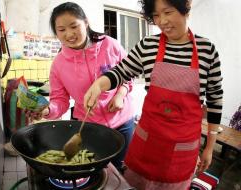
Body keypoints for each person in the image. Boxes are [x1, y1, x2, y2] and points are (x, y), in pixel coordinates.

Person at [83, 0, 223, 189]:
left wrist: (209, 147)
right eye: (156, 15)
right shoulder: (148, 45)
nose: (162, 21)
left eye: (168, 12)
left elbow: (215, 99)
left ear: (186, 9)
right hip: (147, 145)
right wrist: (100, 84)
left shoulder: (207, 50)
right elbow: (121, 71)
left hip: (182, 150)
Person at [29, 2, 136, 172]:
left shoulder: (110, 45)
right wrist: (47, 110)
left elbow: (128, 73)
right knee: (95, 168)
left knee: (121, 167)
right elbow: (60, 101)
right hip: (89, 126)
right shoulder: (59, 64)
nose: (69, 34)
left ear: (85, 23)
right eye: (62, 30)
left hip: (122, 121)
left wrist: (120, 95)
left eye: (74, 26)